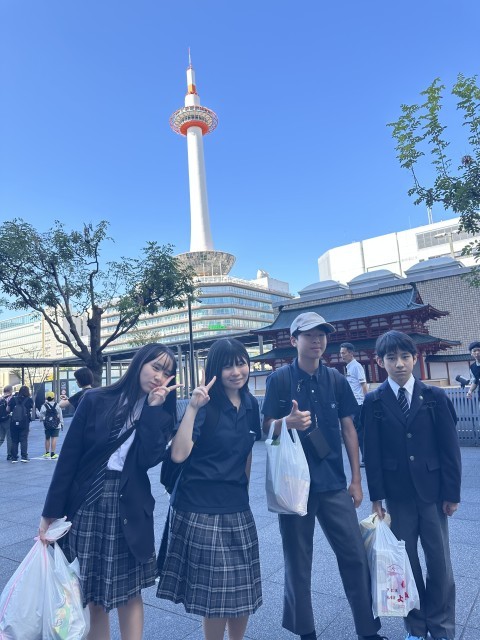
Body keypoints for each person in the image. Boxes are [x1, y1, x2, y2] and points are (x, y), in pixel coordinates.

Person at [39, 343, 180, 640]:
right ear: (139, 364)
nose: (159, 376)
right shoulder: (95, 399)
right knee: (92, 595)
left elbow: (148, 459)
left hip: (130, 504)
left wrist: (153, 409)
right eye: (155, 367)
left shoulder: (163, 416)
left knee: (130, 592)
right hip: (87, 503)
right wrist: (50, 512)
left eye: (167, 373)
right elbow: (69, 458)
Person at [262, 312, 386, 640]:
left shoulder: (336, 380)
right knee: (298, 561)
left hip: (332, 482)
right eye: (309, 335)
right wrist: (285, 423)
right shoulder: (279, 380)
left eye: (322, 334)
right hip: (293, 486)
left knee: (355, 555)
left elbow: (349, 429)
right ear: (293, 340)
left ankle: (367, 630)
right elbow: (265, 427)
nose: (317, 340)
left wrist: (356, 480)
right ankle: (306, 632)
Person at [156, 338, 262, 640]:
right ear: (215, 370)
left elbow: (246, 453)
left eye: (241, 363)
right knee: (216, 593)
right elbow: (179, 454)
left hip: (236, 506)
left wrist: (243, 492)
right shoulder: (205, 405)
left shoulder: (251, 404)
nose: (236, 372)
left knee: (242, 588)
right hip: (199, 507)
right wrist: (192, 406)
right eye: (228, 366)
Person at [362, 330, 461, 640]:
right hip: (398, 495)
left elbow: (449, 449)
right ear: (380, 361)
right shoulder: (374, 401)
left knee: (440, 562)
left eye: (405, 356)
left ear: (415, 358)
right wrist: (376, 497)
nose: (399, 364)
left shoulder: (434, 397)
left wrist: (452, 494)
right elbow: (371, 453)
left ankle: (441, 627)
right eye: (391, 358)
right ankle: (416, 626)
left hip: (433, 494)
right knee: (405, 563)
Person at [340, 342, 369, 466]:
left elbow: (363, 385)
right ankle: (364, 457)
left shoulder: (356, 366)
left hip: (359, 403)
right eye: (341, 353)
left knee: (360, 431)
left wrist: (366, 401)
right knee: (358, 431)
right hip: (353, 402)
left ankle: (366, 458)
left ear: (351, 353)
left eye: (344, 353)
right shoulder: (349, 367)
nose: (342, 355)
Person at [9, 385, 34, 463]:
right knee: (23, 439)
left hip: (13, 423)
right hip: (24, 422)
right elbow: (31, 409)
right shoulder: (29, 400)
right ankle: (24, 457)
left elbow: (8, 409)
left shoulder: (13, 399)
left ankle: (14, 458)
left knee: (14, 440)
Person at [39, 390, 64, 459]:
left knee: (47, 438)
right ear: (53, 397)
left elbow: (41, 415)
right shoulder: (57, 405)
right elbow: (60, 415)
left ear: (46, 398)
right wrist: (62, 423)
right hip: (56, 424)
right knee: (54, 438)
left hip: (47, 425)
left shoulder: (44, 406)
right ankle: (53, 454)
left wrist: (43, 419)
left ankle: (47, 453)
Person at [0, 385, 14, 460]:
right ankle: (9, 454)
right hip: (7, 420)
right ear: (10, 390)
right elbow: (9, 409)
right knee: (9, 438)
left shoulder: (1, 398)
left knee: (1, 438)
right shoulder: (10, 398)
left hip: (1, 420)